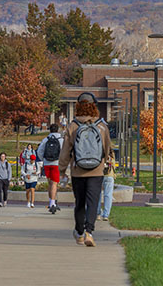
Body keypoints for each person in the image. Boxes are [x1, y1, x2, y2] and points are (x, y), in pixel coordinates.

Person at [59, 92, 112, 247]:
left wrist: (62, 170)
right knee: (93, 201)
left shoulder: (73, 126)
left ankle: (79, 232)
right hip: (96, 170)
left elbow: (65, 150)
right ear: (94, 106)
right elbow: (107, 148)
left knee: (80, 202)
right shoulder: (102, 126)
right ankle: (89, 231)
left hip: (78, 170)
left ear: (78, 106)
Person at [37, 123, 63, 214]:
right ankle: (52, 203)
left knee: (50, 184)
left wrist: (43, 159)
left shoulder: (46, 139)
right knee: (54, 184)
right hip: (56, 163)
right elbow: (65, 152)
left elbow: (40, 151)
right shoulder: (61, 140)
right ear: (58, 130)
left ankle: (52, 201)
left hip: (47, 163)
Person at [97, 154, 116, 221]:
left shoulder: (98, 150)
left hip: (98, 174)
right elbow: (113, 165)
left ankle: (98, 213)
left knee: (97, 194)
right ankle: (106, 215)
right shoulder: (111, 154)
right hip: (109, 175)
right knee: (108, 195)